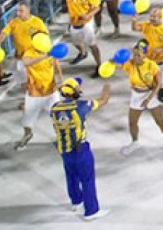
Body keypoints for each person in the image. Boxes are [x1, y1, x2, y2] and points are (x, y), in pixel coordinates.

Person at [51, 78, 112, 221]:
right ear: (75, 92)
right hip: (80, 149)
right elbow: (103, 100)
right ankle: (91, 211)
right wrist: (107, 88)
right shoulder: (81, 106)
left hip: (64, 149)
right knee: (87, 179)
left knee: (71, 176)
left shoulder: (54, 108)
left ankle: (76, 202)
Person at [120, 42, 163, 159]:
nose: (135, 57)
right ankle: (135, 142)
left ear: (145, 55)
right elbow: (115, 64)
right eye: (134, 55)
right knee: (132, 122)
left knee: (160, 122)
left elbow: (158, 84)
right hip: (136, 95)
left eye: (138, 55)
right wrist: (111, 61)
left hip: (150, 94)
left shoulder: (151, 65)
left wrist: (148, 99)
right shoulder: (130, 64)